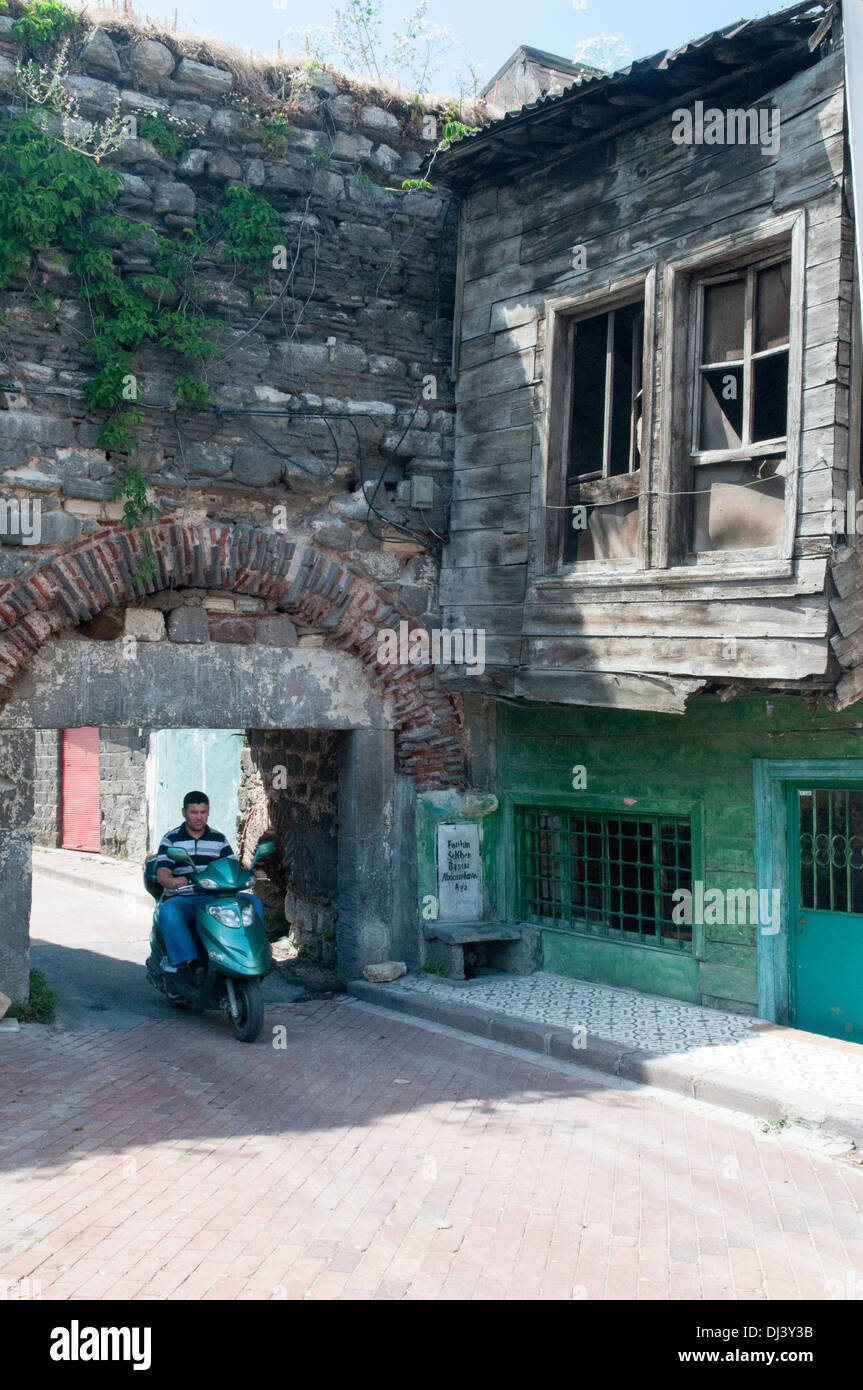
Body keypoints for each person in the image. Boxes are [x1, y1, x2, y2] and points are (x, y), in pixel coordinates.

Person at [154, 791, 268, 983]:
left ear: (208, 812)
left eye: (203, 812)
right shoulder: (171, 839)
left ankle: (255, 952)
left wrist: (252, 874)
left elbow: (232, 867)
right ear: (184, 812)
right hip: (185, 897)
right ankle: (191, 965)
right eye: (193, 812)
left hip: (215, 897)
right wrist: (172, 881)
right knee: (168, 910)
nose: (199, 817)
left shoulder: (218, 839)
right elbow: (162, 872)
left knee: (252, 903)